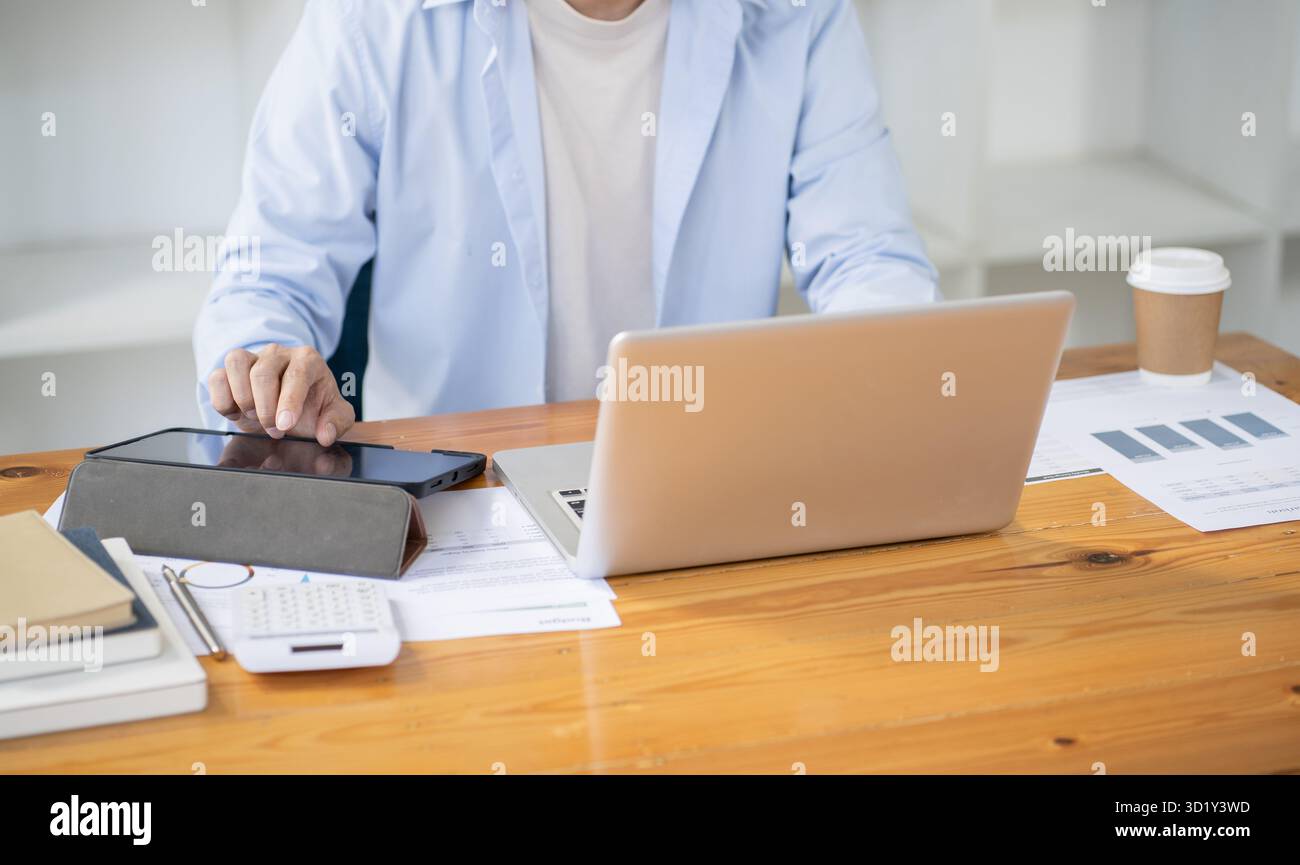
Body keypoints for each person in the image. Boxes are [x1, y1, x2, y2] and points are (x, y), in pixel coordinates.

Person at [195, 0, 938, 447]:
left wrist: (888, 376)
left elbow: (866, 256)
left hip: (705, 486)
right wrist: (267, 367)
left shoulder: (797, 16)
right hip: (454, 503)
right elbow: (272, 271)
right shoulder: (376, 17)